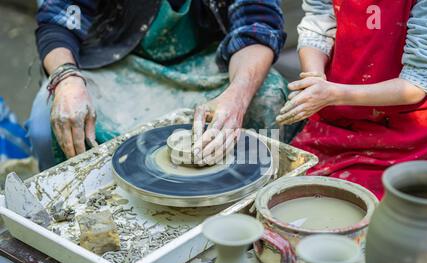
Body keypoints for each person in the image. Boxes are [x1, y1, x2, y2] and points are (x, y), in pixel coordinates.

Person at [29, 0, 293, 170]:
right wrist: (66, 78)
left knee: (269, 97)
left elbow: (258, 26)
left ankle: (249, 207)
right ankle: (75, 214)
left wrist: (238, 95)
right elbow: (57, 19)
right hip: (115, 60)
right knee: (47, 122)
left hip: (207, 63)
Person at [277, 0, 427, 198]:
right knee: (292, 185)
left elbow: (418, 81)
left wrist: (332, 94)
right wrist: (315, 81)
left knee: (358, 202)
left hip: (407, 123)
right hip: (337, 113)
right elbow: (318, 23)